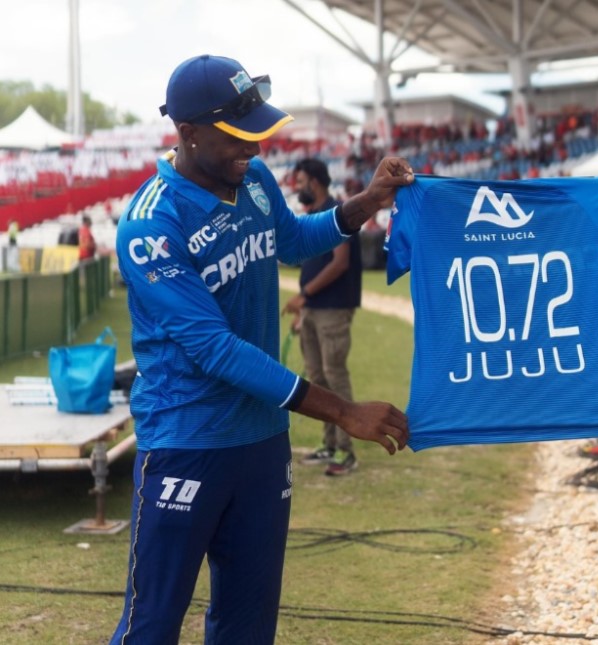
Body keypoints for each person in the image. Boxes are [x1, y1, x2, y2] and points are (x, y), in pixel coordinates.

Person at [110, 54, 412, 644]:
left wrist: (368, 201)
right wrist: (345, 412)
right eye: (236, 136)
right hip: (186, 445)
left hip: (261, 445)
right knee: (151, 627)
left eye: (257, 132)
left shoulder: (251, 177)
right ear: (188, 133)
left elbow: (296, 242)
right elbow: (216, 350)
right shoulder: (150, 225)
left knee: (248, 626)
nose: (253, 147)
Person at [282, 158, 363, 476]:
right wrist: (304, 308)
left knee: (335, 375)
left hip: (333, 308)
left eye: (300, 181)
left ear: (314, 182)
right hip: (314, 309)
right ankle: (329, 444)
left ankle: (347, 451)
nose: (297, 188)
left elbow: (340, 263)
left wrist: (305, 294)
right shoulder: (312, 216)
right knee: (317, 378)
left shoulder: (337, 214)